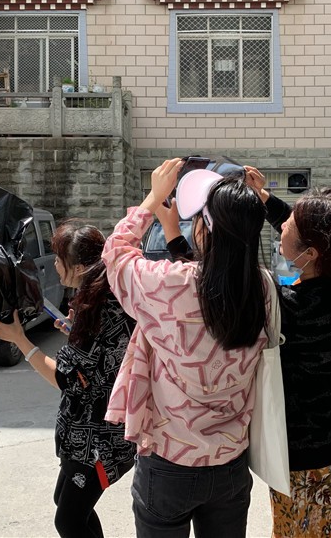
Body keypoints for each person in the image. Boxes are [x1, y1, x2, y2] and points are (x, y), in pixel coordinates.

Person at [102, 158, 269, 538]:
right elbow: (215, 280)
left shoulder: (169, 283)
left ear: (205, 229)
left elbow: (116, 253)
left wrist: (152, 200)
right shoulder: (262, 289)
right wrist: (173, 230)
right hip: (230, 462)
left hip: (170, 463)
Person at [243, 169, 331, 536]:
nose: (281, 228)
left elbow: (219, 286)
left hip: (307, 468)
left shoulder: (289, 309)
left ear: (310, 253)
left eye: (287, 227)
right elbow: (323, 232)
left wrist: (178, 237)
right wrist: (265, 198)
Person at [0, 219, 136, 538]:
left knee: (68, 520)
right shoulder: (108, 295)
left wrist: (19, 339)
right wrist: (75, 332)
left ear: (79, 267)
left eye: (59, 259)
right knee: (69, 507)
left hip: (98, 438)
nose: (54, 265)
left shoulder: (96, 309)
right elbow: (102, 354)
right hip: (98, 430)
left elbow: (65, 379)